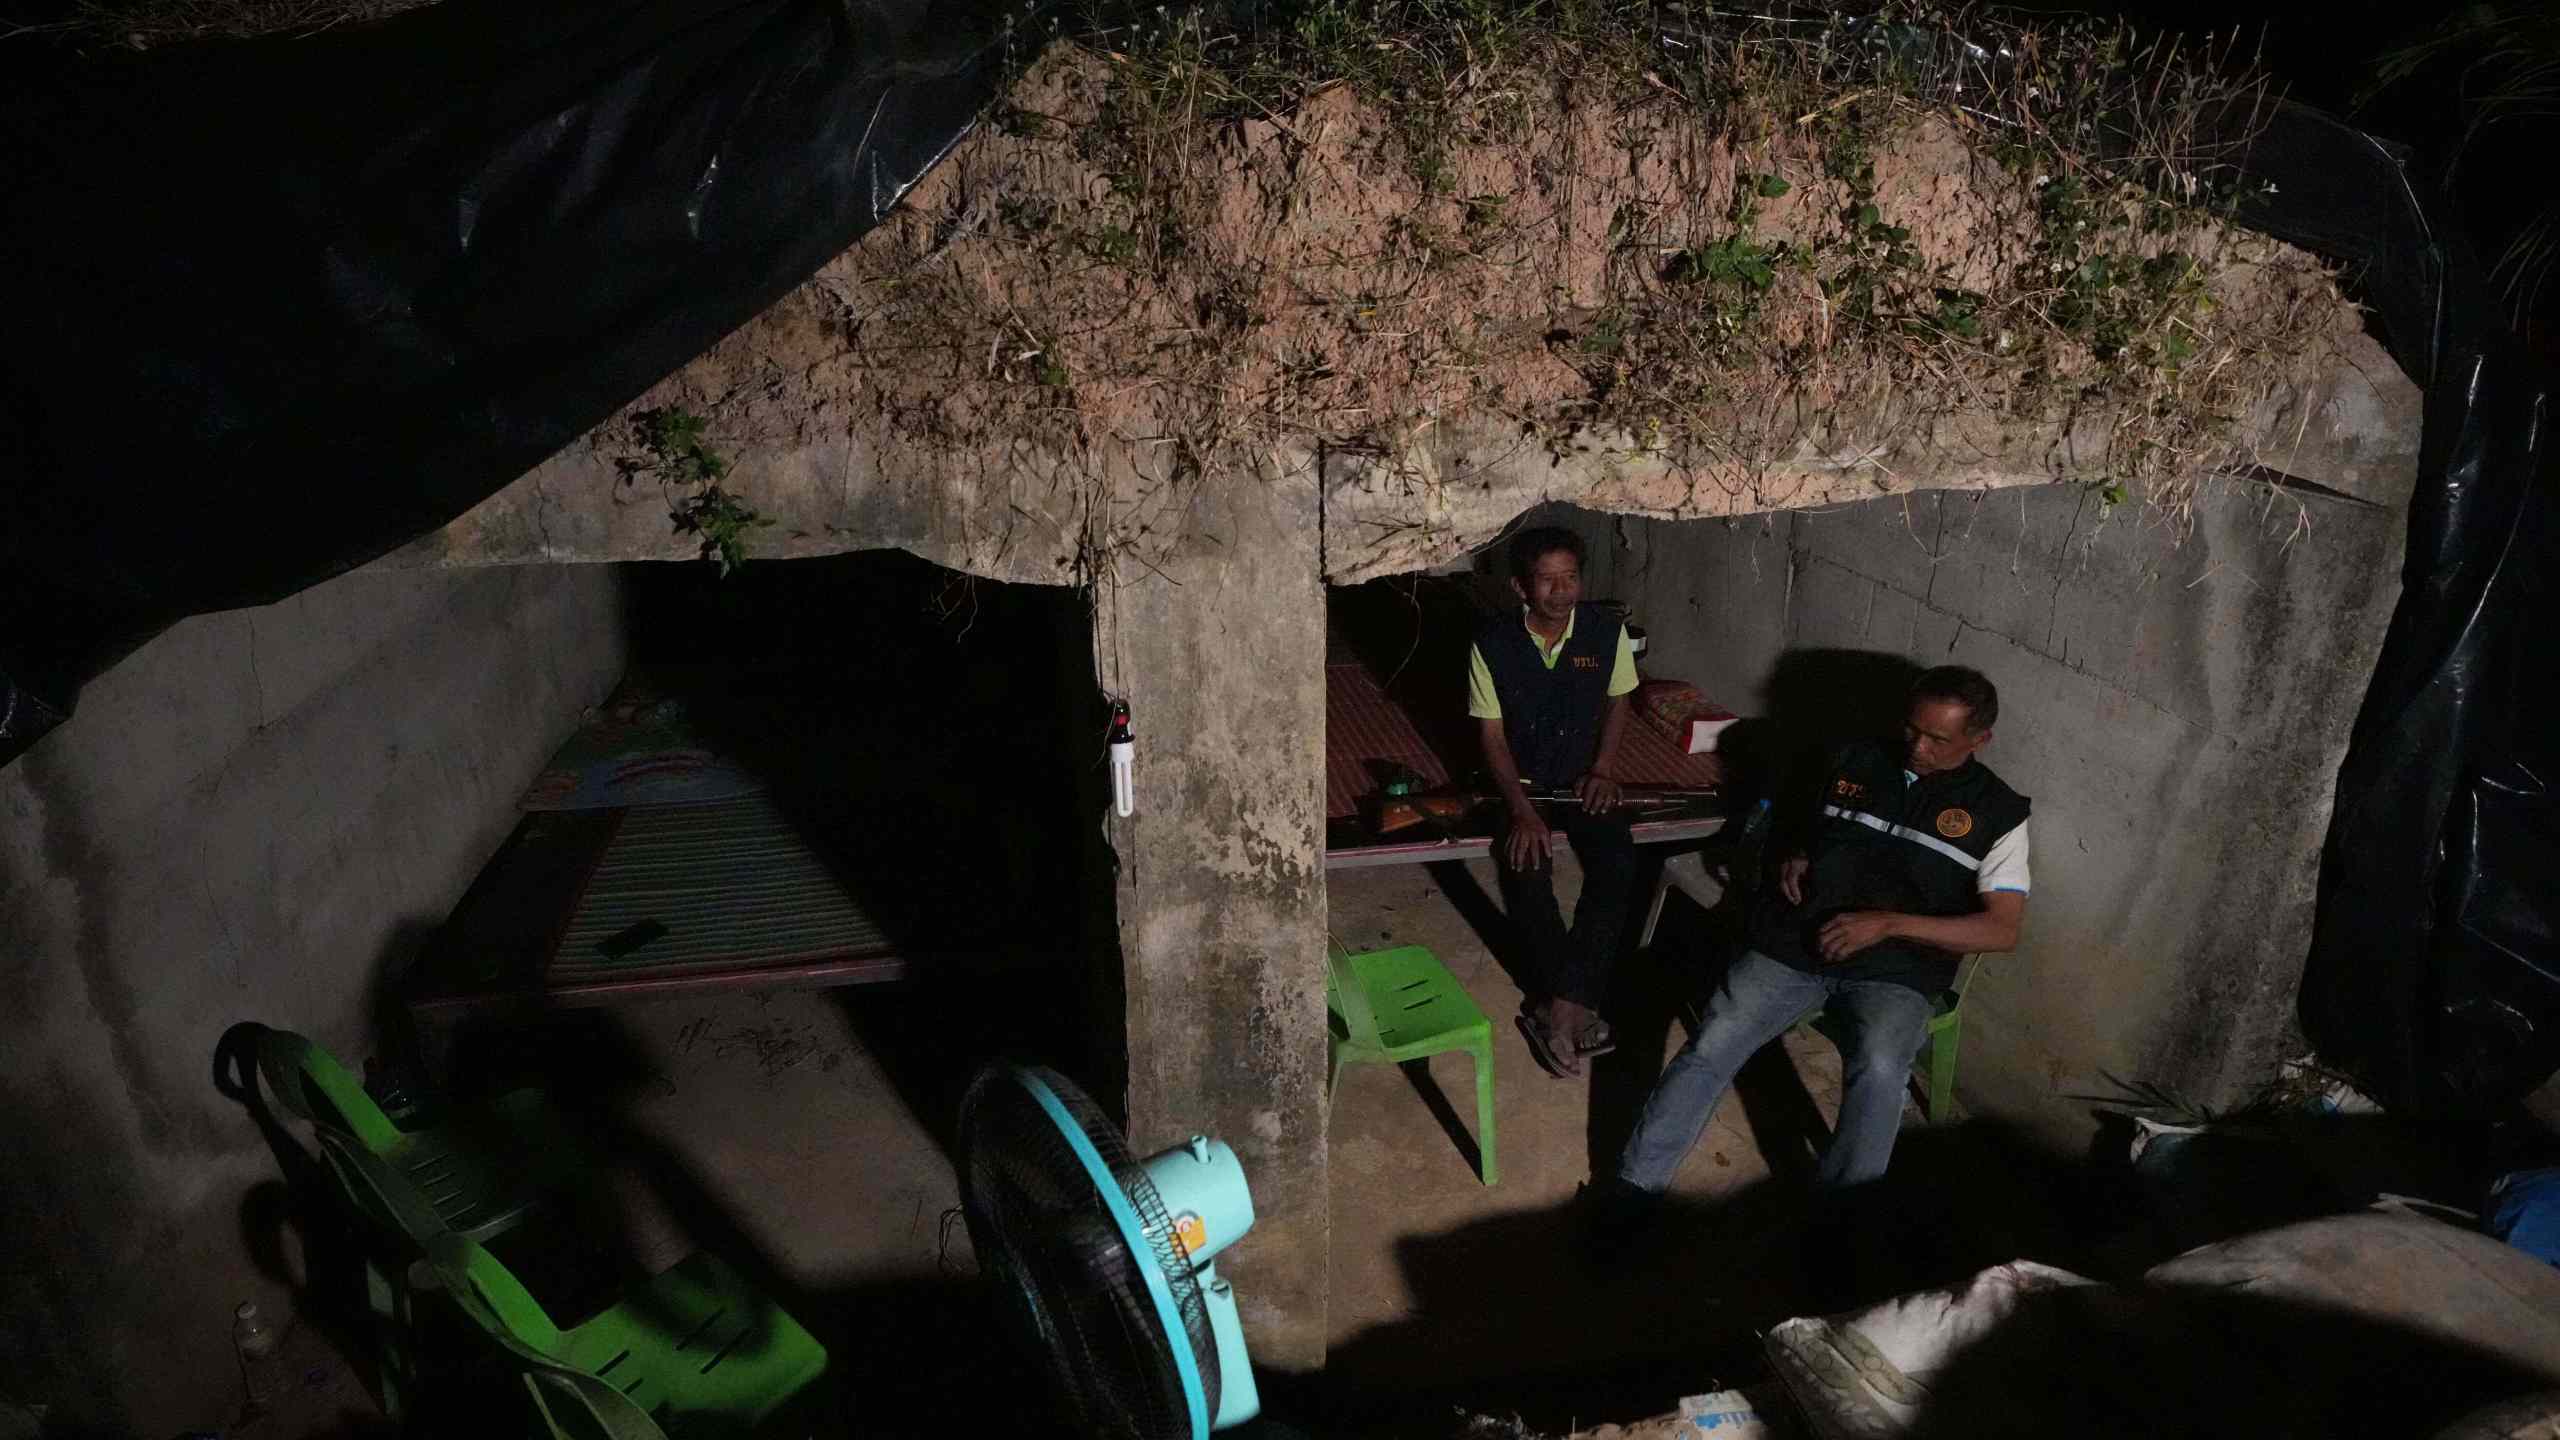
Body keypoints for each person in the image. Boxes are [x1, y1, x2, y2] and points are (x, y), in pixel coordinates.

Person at [1607, 665, 2031, 1203]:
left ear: (1979, 740)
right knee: (1716, 1037)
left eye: (1936, 739)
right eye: (1911, 729)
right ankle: (1633, 1190)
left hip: (1897, 968)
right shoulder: (1854, 760)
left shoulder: (1998, 813)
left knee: (1881, 1067)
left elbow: (2001, 929)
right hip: (1797, 941)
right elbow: (1797, 825)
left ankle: (1841, 1217)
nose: (1917, 747)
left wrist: (1888, 924)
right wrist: (1795, 853)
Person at [1468, 525, 1648, 1079]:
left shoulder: (1606, 632)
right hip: (1518, 782)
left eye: (1570, 578)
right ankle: (1572, 1005)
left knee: (1617, 861)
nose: (1561, 591)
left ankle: (1558, 1006)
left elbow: (1619, 701)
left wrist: (1604, 770)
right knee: (1527, 866)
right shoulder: (1491, 643)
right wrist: (1521, 810)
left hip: (1581, 777)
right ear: (1521, 587)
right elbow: (1491, 735)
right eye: (1547, 580)